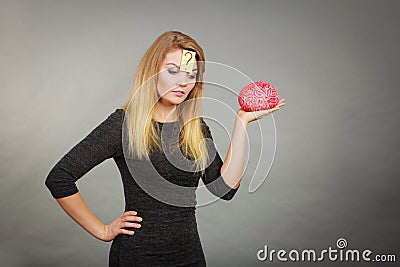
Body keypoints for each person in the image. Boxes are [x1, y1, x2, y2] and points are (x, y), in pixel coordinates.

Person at [45, 30, 286, 266]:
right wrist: (102, 230)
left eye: (191, 74)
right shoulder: (124, 124)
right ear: (152, 72)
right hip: (136, 257)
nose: (183, 82)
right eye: (173, 71)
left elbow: (225, 190)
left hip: (189, 256)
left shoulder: (195, 128)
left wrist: (241, 122)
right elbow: (59, 178)